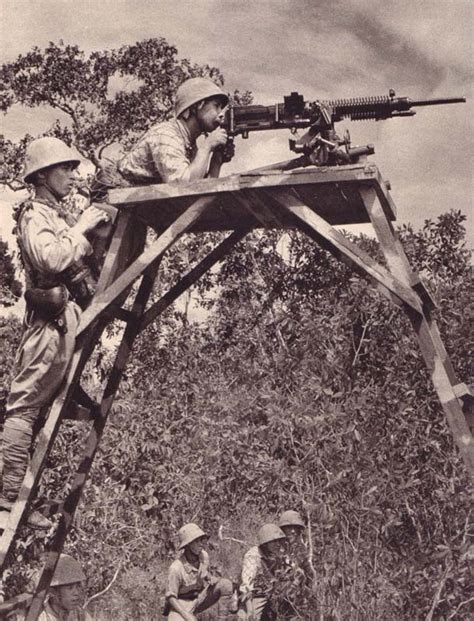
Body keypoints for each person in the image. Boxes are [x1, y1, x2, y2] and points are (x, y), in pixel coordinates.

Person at [0, 137, 108, 529]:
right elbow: (51, 257)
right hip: (50, 325)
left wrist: (95, 227)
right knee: (24, 408)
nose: (71, 175)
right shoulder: (34, 215)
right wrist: (82, 227)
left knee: (32, 410)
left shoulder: (56, 215)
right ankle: (7, 499)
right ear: (42, 175)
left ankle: (15, 499)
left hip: (63, 325)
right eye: (63, 168)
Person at [115, 77, 231, 186]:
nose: (221, 114)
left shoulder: (188, 144)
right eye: (216, 106)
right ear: (198, 105)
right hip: (111, 198)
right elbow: (182, 187)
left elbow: (201, 190)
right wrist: (206, 147)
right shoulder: (166, 134)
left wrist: (216, 160)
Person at [164, 522, 237, 620]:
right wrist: (186, 615)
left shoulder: (204, 556)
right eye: (197, 541)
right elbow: (171, 597)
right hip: (181, 603)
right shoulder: (176, 568)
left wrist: (209, 577)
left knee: (225, 584)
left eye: (202, 540)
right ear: (188, 544)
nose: (201, 544)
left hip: (199, 597)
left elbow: (204, 574)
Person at [239, 523, 287, 621]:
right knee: (247, 618)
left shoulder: (280, 553)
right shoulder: (252, 556)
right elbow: (247, 585)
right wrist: (250, 611)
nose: (277, 544)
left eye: (278, 541)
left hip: (275, 592)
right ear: (265, 544)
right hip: (256, 594)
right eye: (273, 542)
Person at [38, 553, 92, 621]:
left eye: (78, 586)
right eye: (70, 588)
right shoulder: (41, 617)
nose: (76, 593)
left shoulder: (80, 615)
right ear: (52, 592)